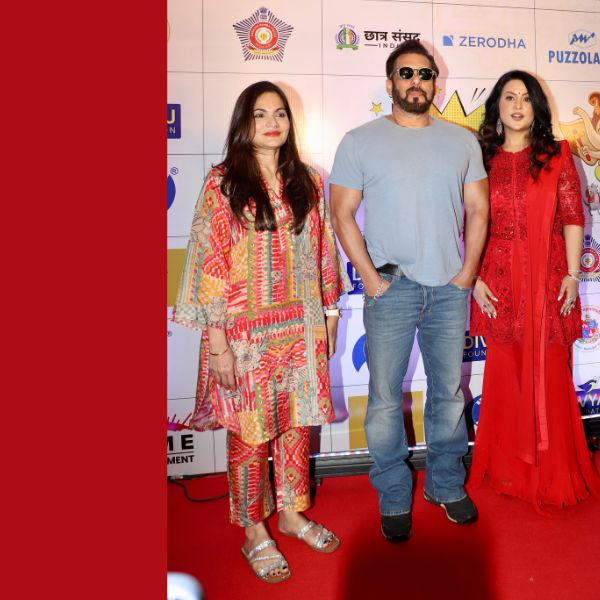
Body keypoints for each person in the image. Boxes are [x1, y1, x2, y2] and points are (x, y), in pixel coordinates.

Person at [172, 81, 350, 584]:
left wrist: (330, 314)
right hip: (244, 337)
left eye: (280, 114)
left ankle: (292, 514)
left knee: (296, 426)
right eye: (259, 114)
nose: (272, 123)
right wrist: (219, 345)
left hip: (301, 327)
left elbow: (323, 250)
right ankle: (254, 530)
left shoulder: (308, 180)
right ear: (243, 123)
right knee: (249, 435)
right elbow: (209, 263)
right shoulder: (224, 182)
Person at [329, 39, 490, 542]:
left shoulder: (462, 141)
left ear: (435, 82)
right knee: (383, 400)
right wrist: (370, 278)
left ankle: (445, 485)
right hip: (391, 288)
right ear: (390, 82)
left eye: (425, 73)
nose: (416, 81)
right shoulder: (359, 141)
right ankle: (394, 493)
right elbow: (341, 213)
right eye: (406, 73)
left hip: (449, 290)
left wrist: (466, 274)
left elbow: (479, 209)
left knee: (447, 394)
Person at [468, 70, 600, 514]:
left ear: (537, 107)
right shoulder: (480, 157)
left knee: (550, 369)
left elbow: (573, 216)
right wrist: (473, 277)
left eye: (525, 98)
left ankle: (552, 473)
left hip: (548, 278)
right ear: (496, 107)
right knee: (505, 372)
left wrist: (572, 274)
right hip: (498, 278)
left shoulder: (557, 155)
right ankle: (508, 471)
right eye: (509, 97)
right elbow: (467, 219)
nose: (517, 106)